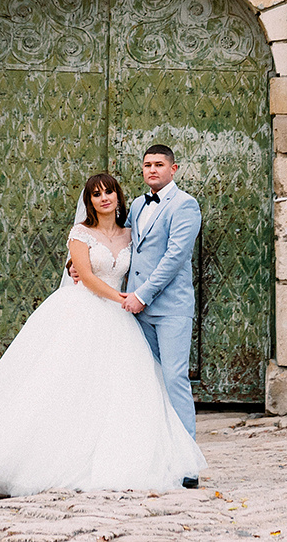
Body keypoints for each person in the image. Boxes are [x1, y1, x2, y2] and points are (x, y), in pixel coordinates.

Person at [0, 172, 205, 499]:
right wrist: (116, 294)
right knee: (64, 384)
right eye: (96, 194)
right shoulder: (81, 233)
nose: (104, 198)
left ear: (119, 197)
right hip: (86, 310)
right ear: (89, 201)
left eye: (109, 193)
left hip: (122, 320)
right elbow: (87, 276)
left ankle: (119, 454)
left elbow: (149, 261)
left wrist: (133, 297)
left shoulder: (131, 233)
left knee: (117, 390)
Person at [122, 145, 203, 443]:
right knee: (148, 379)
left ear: (174, 169)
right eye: (147, 165)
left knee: (174, 378)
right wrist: (82, 261)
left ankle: (187, 458)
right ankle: (155, 449)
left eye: (158, 164)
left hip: (170, 308)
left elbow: (175, 256)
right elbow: (123, 243)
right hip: (137, 310)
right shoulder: (137, 205)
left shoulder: (185, 205)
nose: (152, 170)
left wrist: (142, 294)